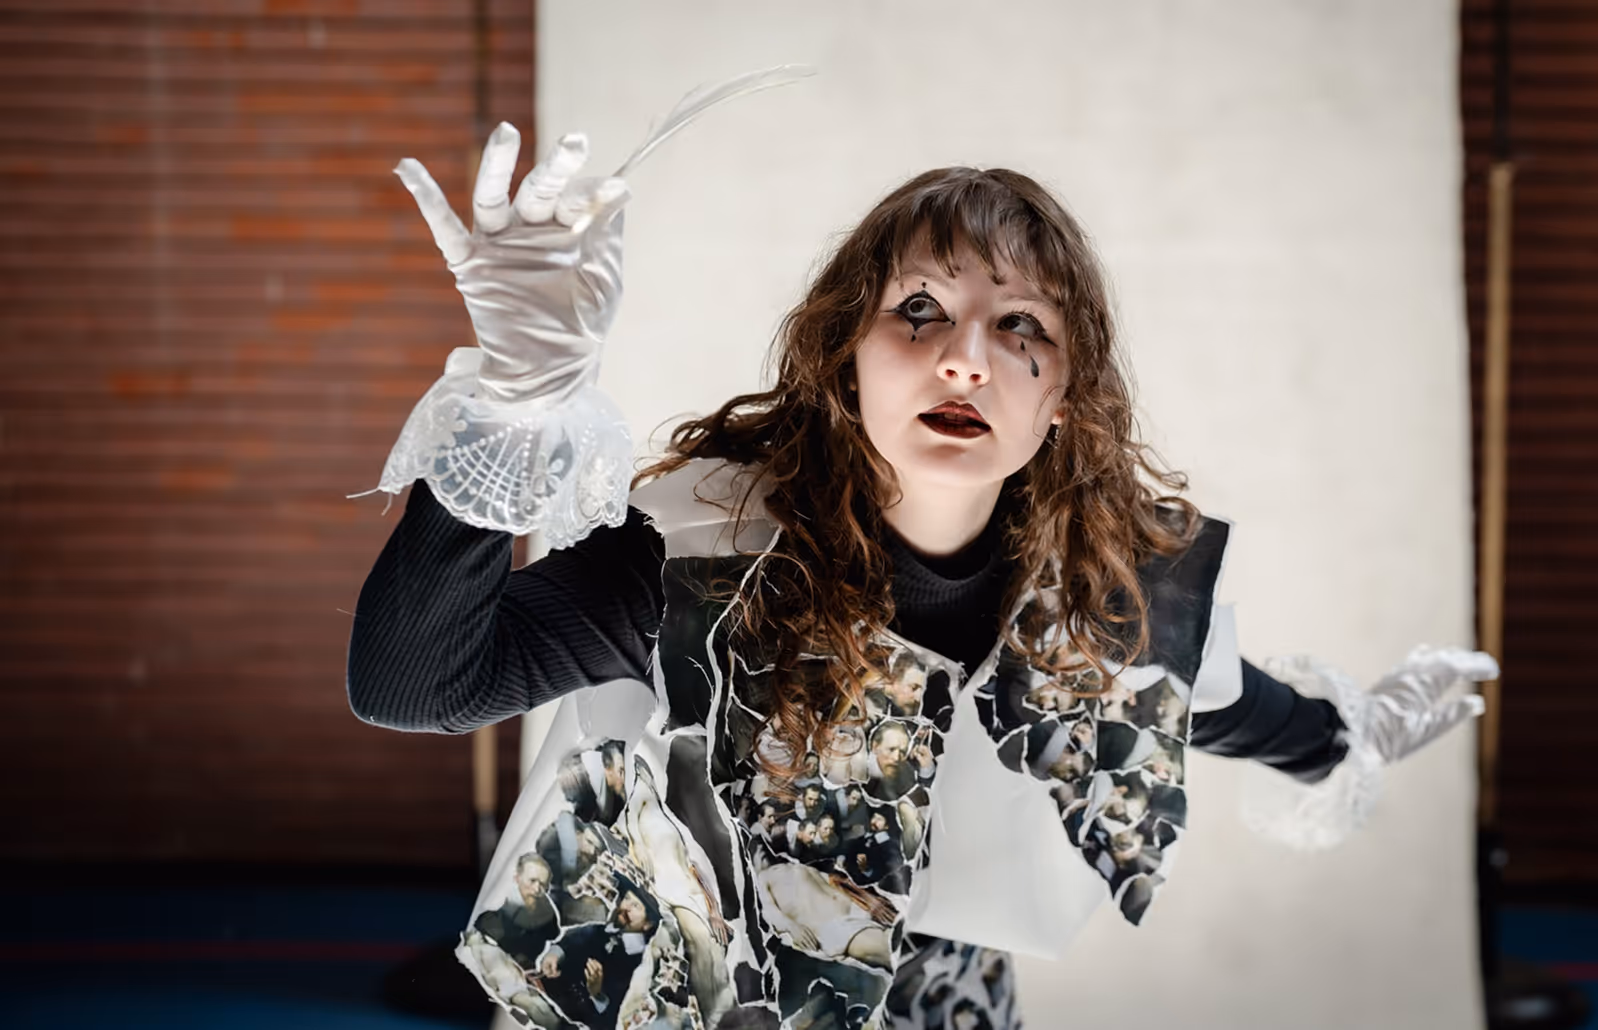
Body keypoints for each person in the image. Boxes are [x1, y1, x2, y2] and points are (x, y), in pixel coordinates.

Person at [348, 79, 1492, 1029]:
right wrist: (508, 410)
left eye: (1021, 326)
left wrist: (1364, 731)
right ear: (847, 360)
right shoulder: (698, 562)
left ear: (1063, 398)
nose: (964, 358)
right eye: (919, 311)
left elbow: (1241, 712)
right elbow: (414, 684)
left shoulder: (1109, 606)